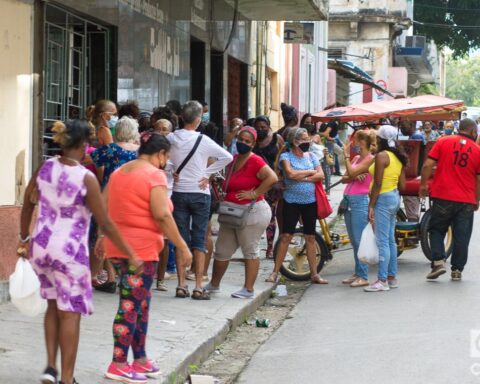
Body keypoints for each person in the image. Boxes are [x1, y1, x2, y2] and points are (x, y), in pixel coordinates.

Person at [18, 119, 139, 384]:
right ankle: (67, 378)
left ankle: (50, 367)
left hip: (41, 246)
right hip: (70, 252)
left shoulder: (44, 167)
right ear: (84, 145)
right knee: (70, 312)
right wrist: (129, 251)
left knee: (52, 305)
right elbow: (104, 221)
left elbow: (27, 203)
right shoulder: (86, 177)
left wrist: (24, 238)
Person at [101, 132, 192, 382]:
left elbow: (103, 204)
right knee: (130, 305)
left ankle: (139, 359)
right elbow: (162, 215)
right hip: (140, 251)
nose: (165, 163)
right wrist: (182, 246)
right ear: (160, 154)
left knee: (140, 303)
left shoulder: (121, 171)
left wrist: (101, 237)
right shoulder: (154, 175)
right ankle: (118, 362)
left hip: (117, 246)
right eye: (166, 158)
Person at [168, 100, 233, 299]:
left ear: (181, 117)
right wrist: (207, 173)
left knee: (181, 239)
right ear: (198, 120)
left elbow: (162, 159)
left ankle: (180, 285)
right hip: (199, 192)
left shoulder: (171, 137)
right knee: (199, 239)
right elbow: (227, 157)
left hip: (178, 192)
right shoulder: (203, 140)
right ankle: (197, 285)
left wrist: (172, 170)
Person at [206, 127, 277, 298]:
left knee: (249, 249)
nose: (243, 143)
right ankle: (214, 284)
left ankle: (248, 289)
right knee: (222, 250)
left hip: (252, 212)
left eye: (247, 141)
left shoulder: (256, 161)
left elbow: (273, 178)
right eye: (241, 140)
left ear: (253, 144)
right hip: (232, 211)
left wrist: (254, 193)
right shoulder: (233, 159)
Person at [420, 118, 480, 281]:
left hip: (442, 196)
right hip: (466, 200)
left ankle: (438, 262)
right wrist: (477, 199)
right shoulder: (477, 150)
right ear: (473, 132)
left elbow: (427, 165)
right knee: (462, 235)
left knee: (437, 229)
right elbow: (478, 179)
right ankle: (457, 270)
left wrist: (423, 184)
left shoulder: (443, 141)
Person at [266, 128, 327, 284]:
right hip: (291, 201)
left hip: (310, 202)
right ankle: (275, 272)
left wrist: (302, 176)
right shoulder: (286, 156)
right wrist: (310, 173)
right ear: (295, 141)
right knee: (286, 236)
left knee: (310, 237)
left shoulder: (312, 156)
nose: (308, 142)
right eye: (304, 139)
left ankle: (314, 274)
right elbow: (290, 174)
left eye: (308, 139)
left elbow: (321, 175)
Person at [90, 116, 140, 293]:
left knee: (105, 237)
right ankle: (128, 278)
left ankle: (109, 277)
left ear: (117, 132)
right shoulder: (141, 152)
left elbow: (90, 160)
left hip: (110, 198)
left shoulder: (109, 150)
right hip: (134, 200)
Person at [364, 125, 407, 292]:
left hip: (383, 198)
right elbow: (402, 184)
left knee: (382, 241)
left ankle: (382, 280)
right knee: (389, 240)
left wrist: (371, 205)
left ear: (380, 139)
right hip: (394, 197)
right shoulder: (398, 157)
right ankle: (392, 277)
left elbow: (378, 183)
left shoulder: (382, 156)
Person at [340, 130, 376, 288]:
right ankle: (357, 272)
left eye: (356, 139)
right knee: (354, 240)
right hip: (348, 199)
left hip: (360, 200)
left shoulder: (370, 159)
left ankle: (363, 275)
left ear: (364, 142)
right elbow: (344, 178)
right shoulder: (356, 158)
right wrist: (353, 175)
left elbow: (351, 172)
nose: (353, 142)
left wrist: (346, 158)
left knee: (359, 239)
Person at [253, 115, 284, 258]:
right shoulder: (252, 141)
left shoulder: (276, 139)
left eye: (263, 127)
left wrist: (281, 177)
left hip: (273, 183)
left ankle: (270, 248)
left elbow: (283, 158)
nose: (260, 130)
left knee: (271, 216)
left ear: (269, 127)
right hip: (255, 182)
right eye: (258, 127)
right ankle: (253, 246)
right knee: (255, 215)